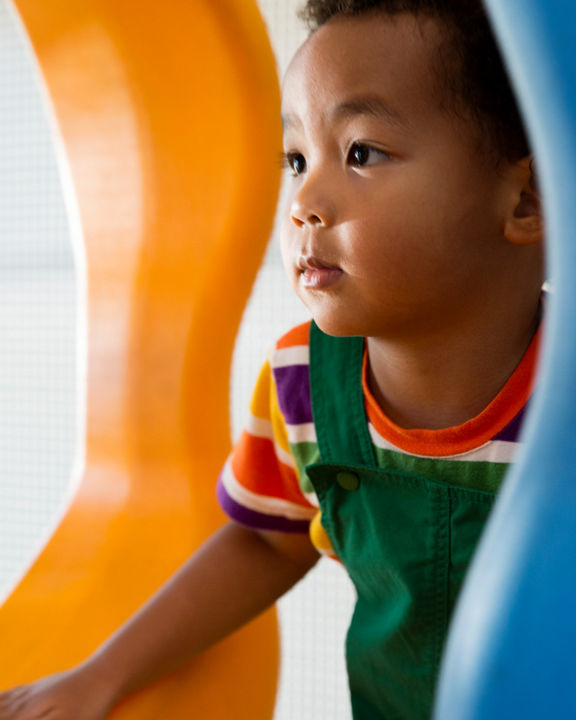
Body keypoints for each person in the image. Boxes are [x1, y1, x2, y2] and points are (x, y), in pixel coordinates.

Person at [0, 0, 544, 718]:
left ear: (526, 199)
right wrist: (100, 675)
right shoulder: (304, 387)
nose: (305, 200)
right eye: (296, 159)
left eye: (361, 152)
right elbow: (261, 542)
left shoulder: (559, 390)